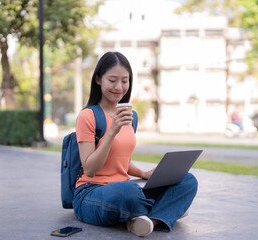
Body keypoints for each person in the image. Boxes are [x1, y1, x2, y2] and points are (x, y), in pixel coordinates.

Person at [73, 51, 198, 237]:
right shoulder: (88, 116)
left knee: (187, 180)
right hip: (92, 193)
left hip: (125, 187)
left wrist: (143, 174)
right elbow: (90, 169)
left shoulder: (131, 117)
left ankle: (150, 221)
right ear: (98, 79)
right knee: (128, 191)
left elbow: (119, 159)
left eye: (125, 81)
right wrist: (112, 130)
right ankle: (168, 211)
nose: (119, 87)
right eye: (113, 80)